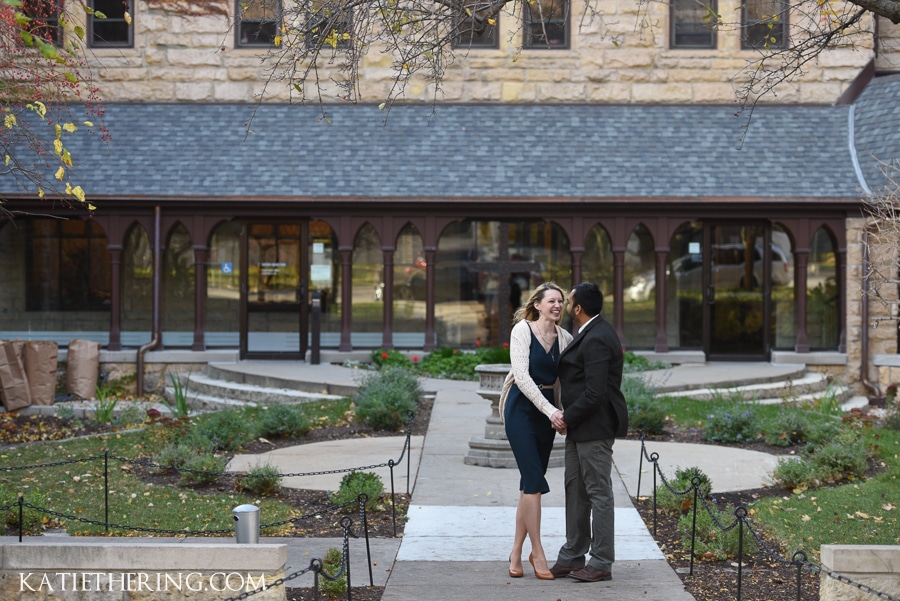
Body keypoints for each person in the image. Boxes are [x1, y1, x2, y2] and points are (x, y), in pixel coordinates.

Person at [549, 282, 629, 582]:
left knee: (598, 494)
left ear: (578, 308)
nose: (567, 307)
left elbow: (595, 393)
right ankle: (572, 556)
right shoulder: (589, 333)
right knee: (576, 491)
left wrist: (566, 417)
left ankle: (601, 562)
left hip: (594, 427)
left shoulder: (597, 337)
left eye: (568, 303)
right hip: (579, 427)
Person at [498, 282, 573, 580]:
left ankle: (516, 552)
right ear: (538, 304)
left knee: (528, 487)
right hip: (521, 409)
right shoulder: (522, 331)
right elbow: (523, 377)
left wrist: (565, 413)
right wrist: (551, 410)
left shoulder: (564, 337)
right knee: (534, 481)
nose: (557, 305)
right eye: (551, 301)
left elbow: (564, 382)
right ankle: (538, 552)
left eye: (561, 301)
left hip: (547, 417)